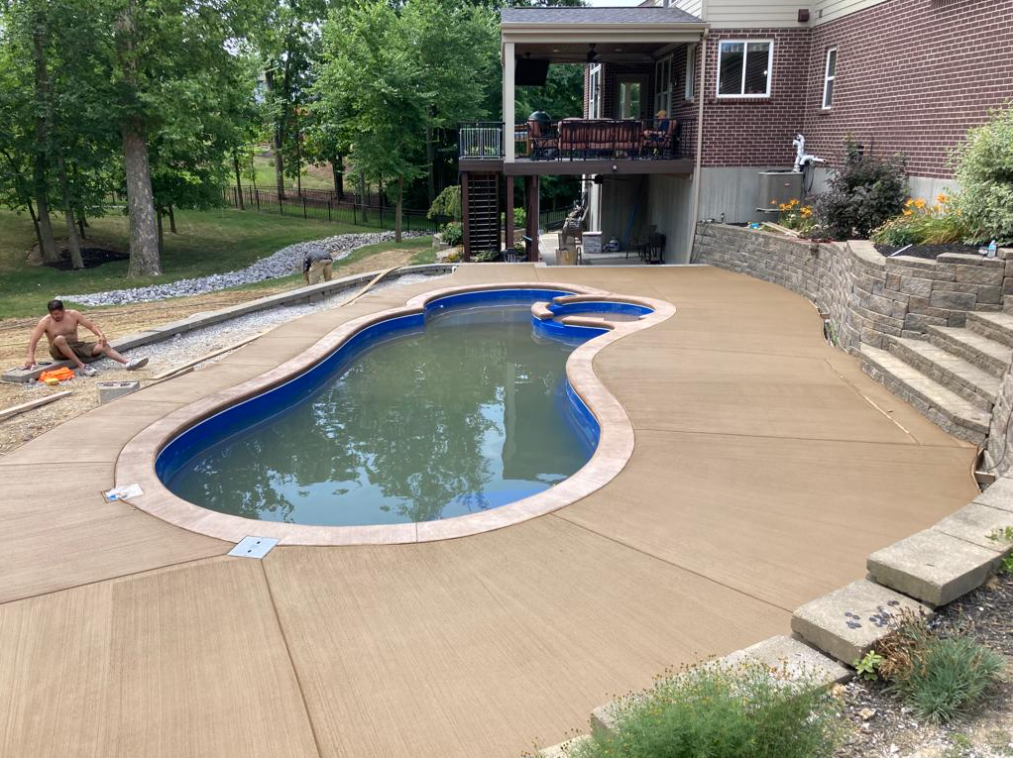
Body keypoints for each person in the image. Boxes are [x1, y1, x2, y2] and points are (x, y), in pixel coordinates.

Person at [22, 299, 148, 376]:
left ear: (63, 310)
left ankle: (128, 363)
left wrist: (100, 335)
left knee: (102, 346)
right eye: (53, 314)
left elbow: (91, 326)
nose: (56, 317)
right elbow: (33, 340)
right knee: (60, 339)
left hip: (76, 346)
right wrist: (30, 357)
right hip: (58, 351)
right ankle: (82, 366)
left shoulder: (73, 315)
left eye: (58, 314)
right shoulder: (45, 322)